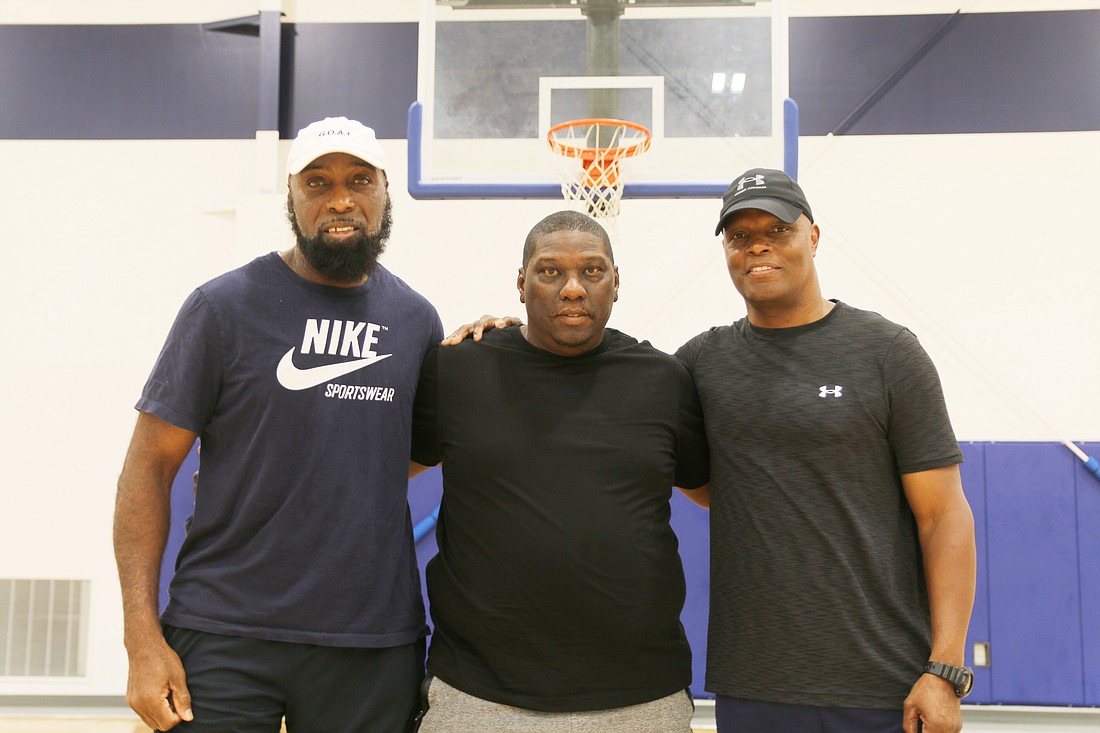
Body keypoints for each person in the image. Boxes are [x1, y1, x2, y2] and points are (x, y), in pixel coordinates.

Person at [113, 116, 443, 733]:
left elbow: (401, 453)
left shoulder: (416, 320)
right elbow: (149, 466)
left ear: (384, 191)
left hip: (369, 640)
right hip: (223, 631)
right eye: (316, 182)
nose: (339, 198)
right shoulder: (222, 307)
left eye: (358, 180)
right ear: (291, 196)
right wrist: (141, 638)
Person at [675, 168, 976, 733]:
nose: (758, 246)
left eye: (778, 229)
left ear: (813, 237)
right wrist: (511, 335)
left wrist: (946, 668)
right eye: (739, 236)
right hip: (753, 683)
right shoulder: (700, 363)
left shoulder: (887, 352)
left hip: (882, 682)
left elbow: (944, 517)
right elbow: (614, 386)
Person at [408, 210, 710, 733]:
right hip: (479, 697)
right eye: (550, 272)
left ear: (616, 284)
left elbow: (713, 493)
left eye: (592, 271)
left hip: (641, 697)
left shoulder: (667, 380)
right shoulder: (457, 368)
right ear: (521, 285)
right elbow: (376, 474)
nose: (573, 288)